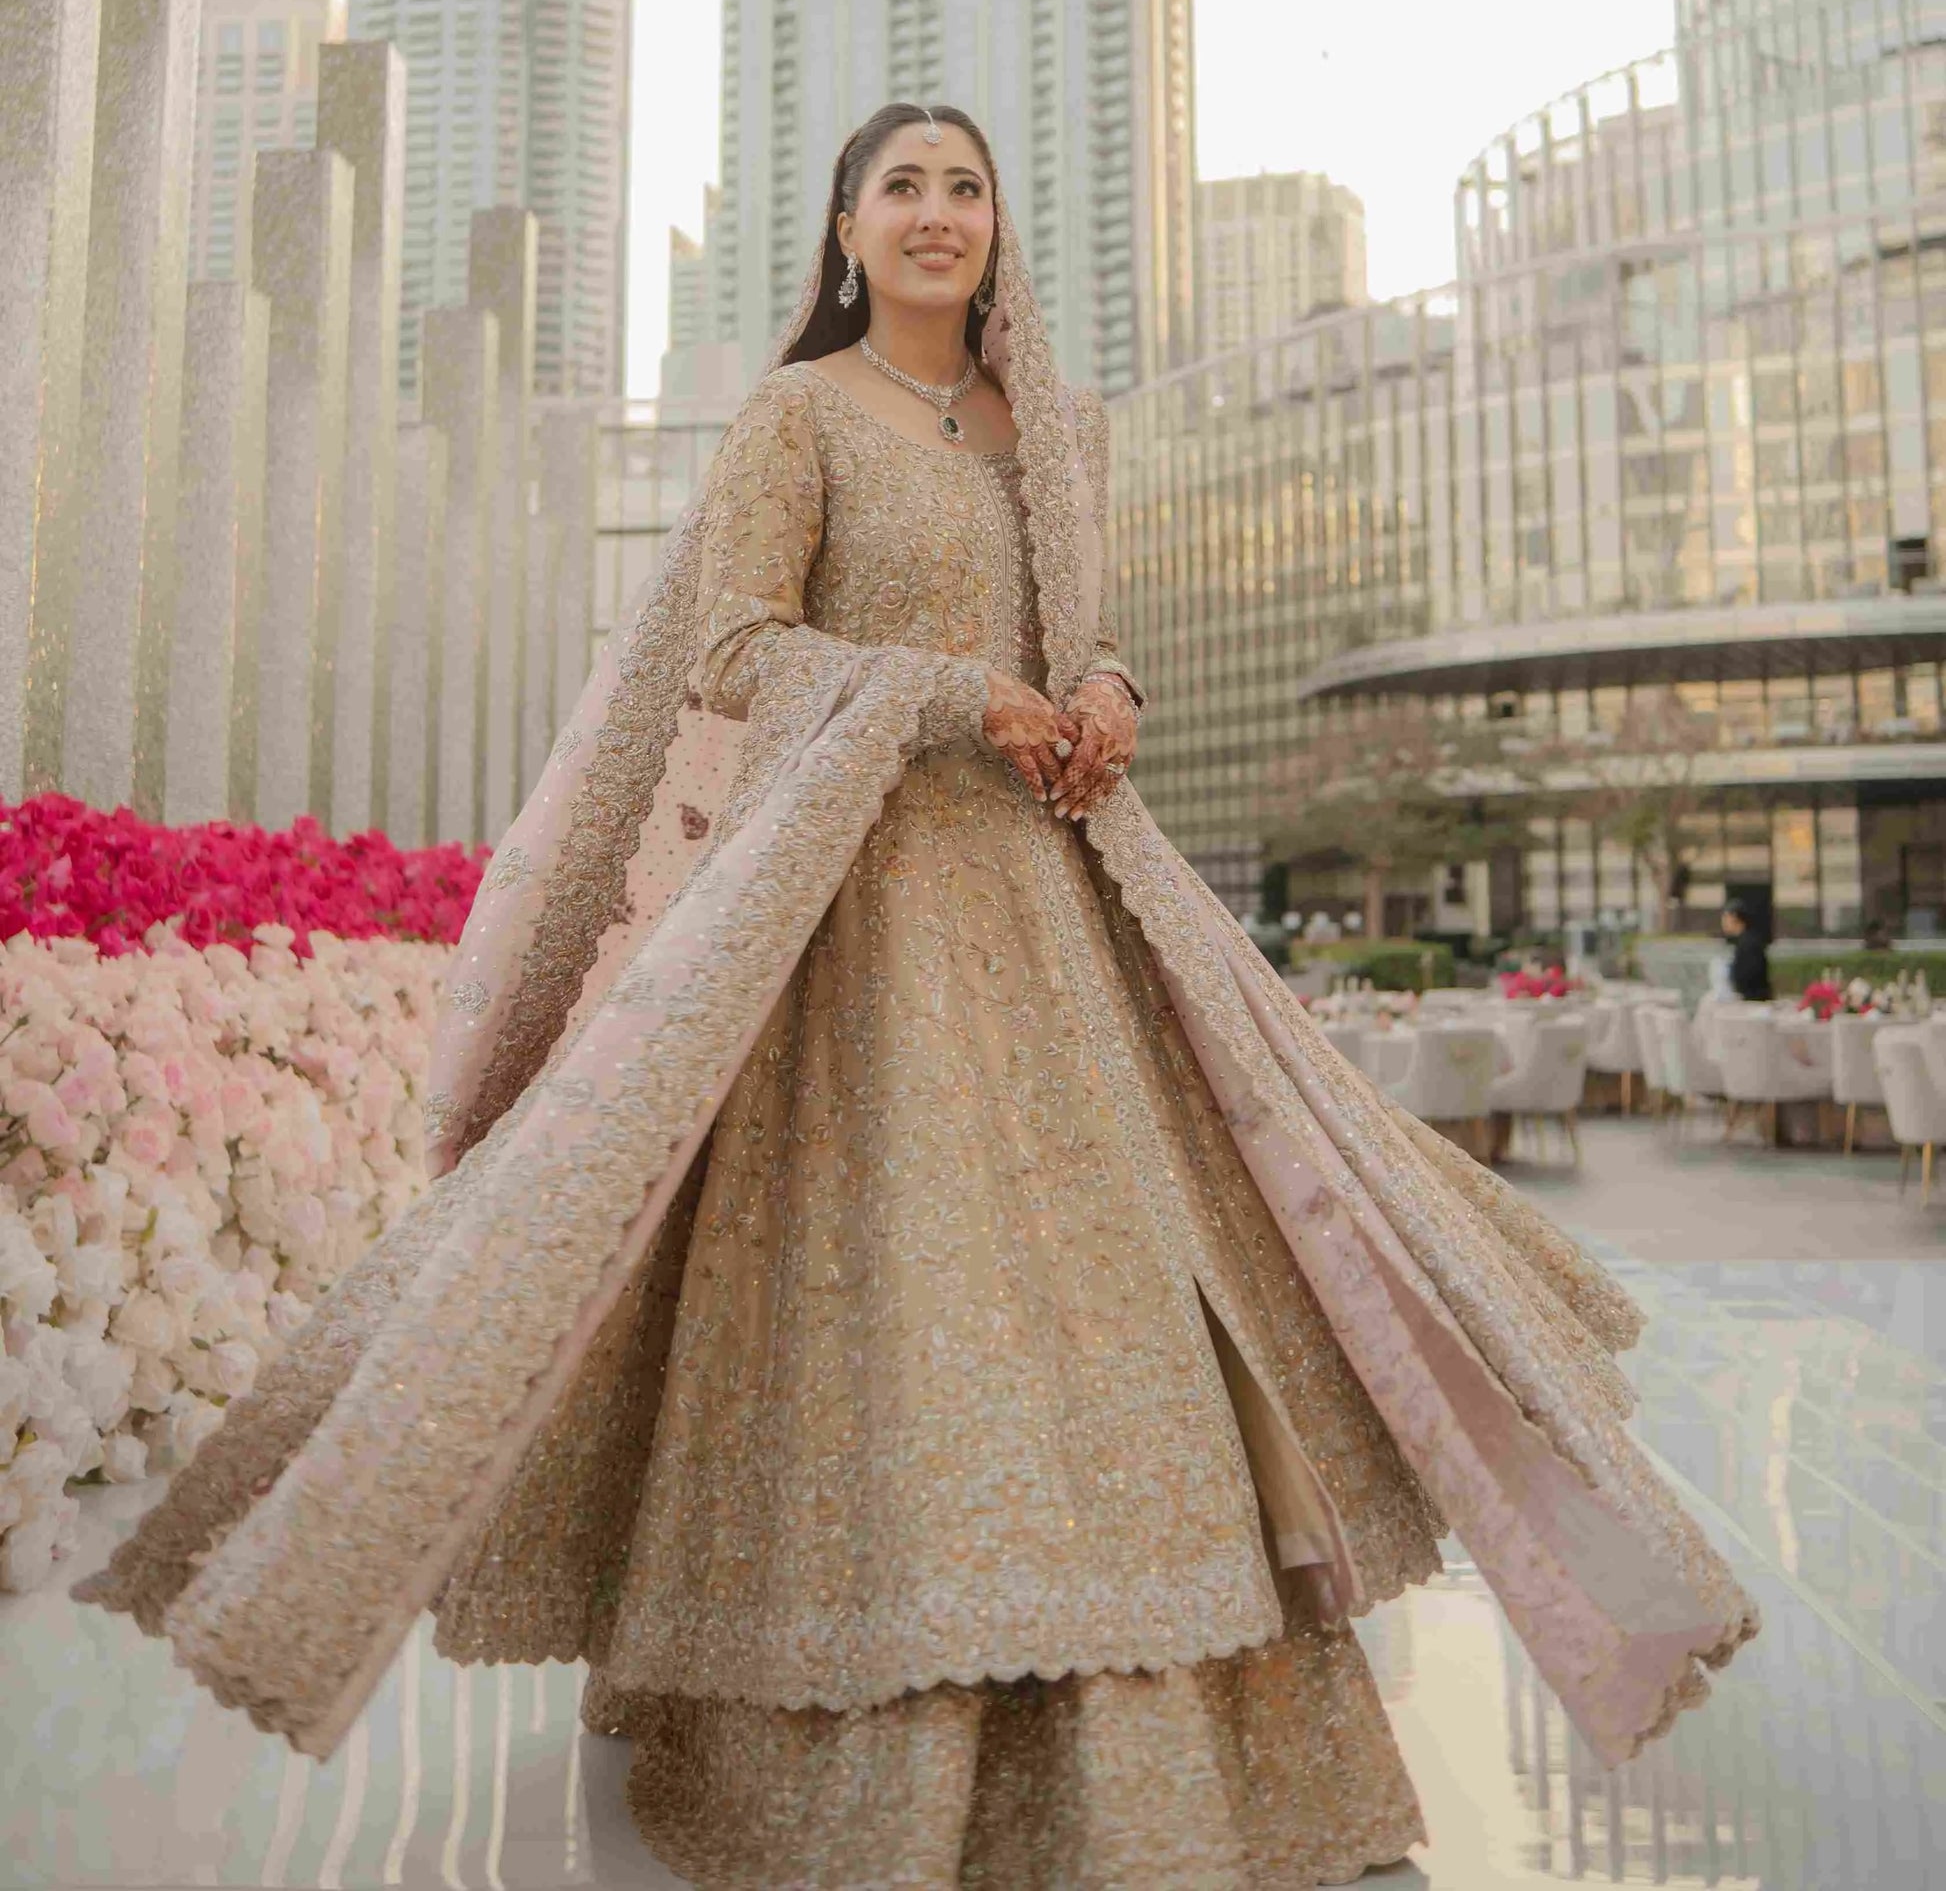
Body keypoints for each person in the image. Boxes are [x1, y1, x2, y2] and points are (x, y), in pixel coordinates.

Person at [78, 104, 1759, 1888]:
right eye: (906, 187)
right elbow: (734, 642)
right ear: (845, 230)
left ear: (997, 225)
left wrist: (1099, 683)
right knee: (901, 1298)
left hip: (1055, 911)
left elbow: (1075, 633)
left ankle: (1175, 1752)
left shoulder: (1062, 431)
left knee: (1131, 1294)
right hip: (853, 920)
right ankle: (858, 1726)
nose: (939, 213)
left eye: (967, 186)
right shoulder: (799, 415)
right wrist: (938, 692)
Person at [1721, 903, 1773, 1002]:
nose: (1723, 923)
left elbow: (1750, 975)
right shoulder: (1744, 941)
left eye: (1726, 918)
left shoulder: (1749, 943)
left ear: (1734, 917)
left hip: (1752, 1001)